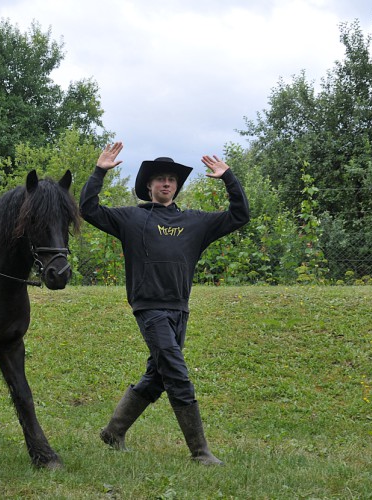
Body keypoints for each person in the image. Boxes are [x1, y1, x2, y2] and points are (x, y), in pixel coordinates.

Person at [79, 142, 250, 465]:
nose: (166, 183)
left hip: (179, 309)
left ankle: (113, 432)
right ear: (149, 185)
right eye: (159, 179)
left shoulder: (196, 222)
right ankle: (200, 452)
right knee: (176, 373)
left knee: (157, 375)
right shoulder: (130, 218)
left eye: (171, 179)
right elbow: (89, 209)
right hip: (149, 307)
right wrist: (99, 171)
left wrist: (229, 177)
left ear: (177, 186)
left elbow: (240, 215)